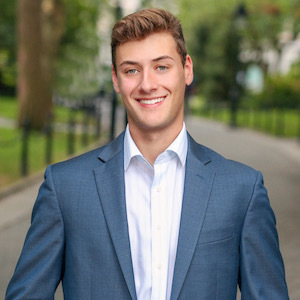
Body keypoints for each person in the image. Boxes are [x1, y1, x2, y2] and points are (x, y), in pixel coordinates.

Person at [6, 8, 289, 300]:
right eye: (131, 70)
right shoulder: (64, 187)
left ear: (187, 70)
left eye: (161, 67)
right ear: (116, 79)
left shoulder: (242, 189)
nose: (147, 84)